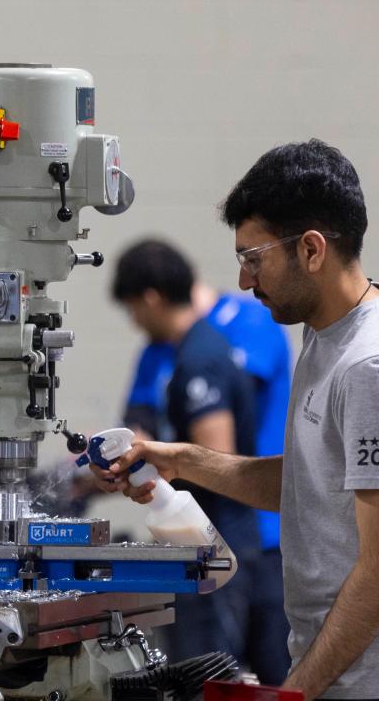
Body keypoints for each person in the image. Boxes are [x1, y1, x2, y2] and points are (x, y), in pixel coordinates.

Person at [95, 139, 379, 700]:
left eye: (253, 258)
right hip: (347, 676)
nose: (245, 281)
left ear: (312, 250)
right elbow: (312, 484)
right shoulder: (329, 333)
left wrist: (295, 692)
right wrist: (183, 461)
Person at [116, 238, 291, 685]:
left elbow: (219, 457)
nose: (135, 322)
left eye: (134, 309)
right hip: (215, 540)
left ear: (151, 298)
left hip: (227, 540)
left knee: (218, 678)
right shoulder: (174, 350)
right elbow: (139, 419)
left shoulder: (203, 357)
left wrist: (164, 465)